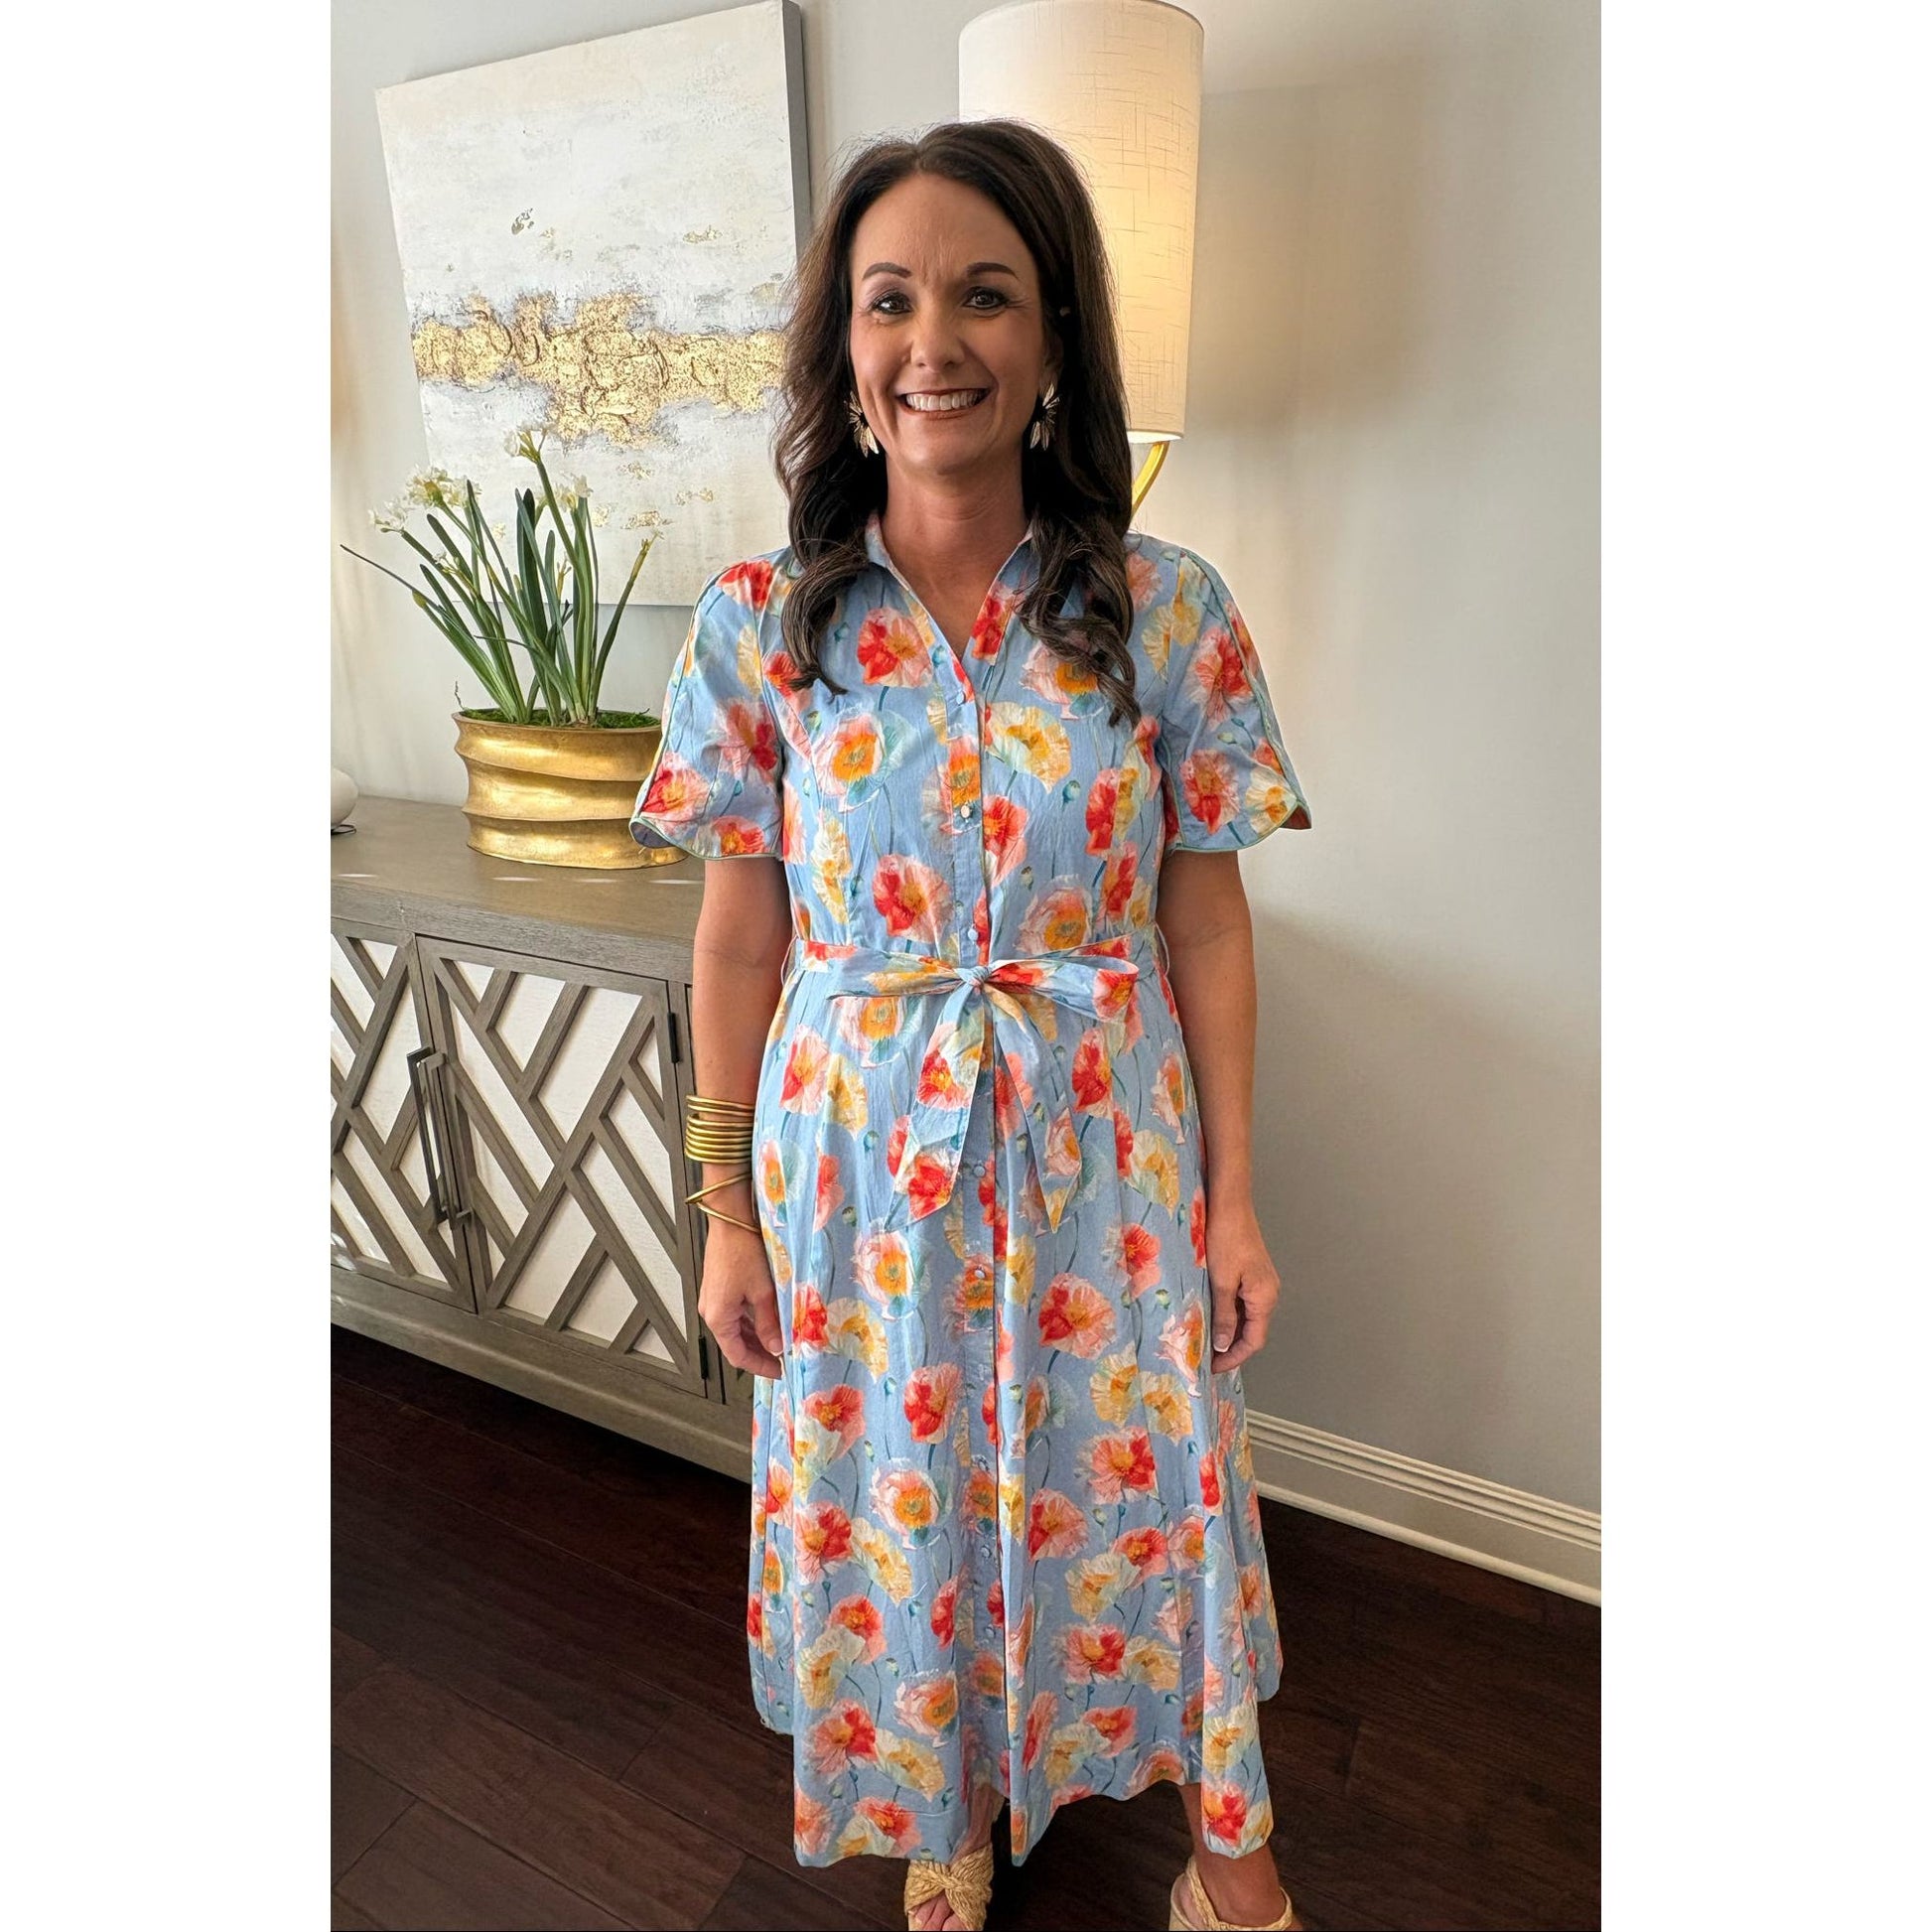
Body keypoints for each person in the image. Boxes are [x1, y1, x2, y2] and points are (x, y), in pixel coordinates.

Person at [630, 119, 1313, 1932]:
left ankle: (1223, 1847)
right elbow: (732, 938)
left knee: (1146, 1479)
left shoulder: (1166, 613)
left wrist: (1235, 1194)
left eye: (983, 294)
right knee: (910, 1482)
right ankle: (953, 1797)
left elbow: (1209, 914)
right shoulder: (759, 630)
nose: (934, 336)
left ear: (1052, 342)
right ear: (845, 355)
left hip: (1108, 1145)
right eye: (890, 298)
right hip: (861, 1163)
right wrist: (719, 1208)